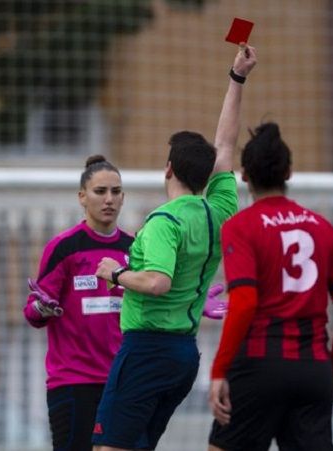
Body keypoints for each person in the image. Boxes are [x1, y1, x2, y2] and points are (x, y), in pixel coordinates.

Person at [91, 44, 258, 451]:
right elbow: (225, 145)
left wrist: (115, 273)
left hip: (146, 349)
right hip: (184, 354)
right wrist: (237, 78)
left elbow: (157, 281)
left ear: (168, 169)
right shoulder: (220, 211)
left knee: (109, 447)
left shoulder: (164, 222)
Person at [207, 122, 333, 451]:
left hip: (258, 366)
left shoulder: (240, 227)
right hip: (313, 369)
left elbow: (244, 302)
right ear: (288, 172)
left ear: (244, 175)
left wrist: (219, 370)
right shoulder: (322, 228)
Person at [23, 155, 133, 451]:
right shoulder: (64, 247)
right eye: (100, 191)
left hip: (122, 381)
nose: (109, 199)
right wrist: (42, 308)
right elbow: (32, 311)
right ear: (82, 197)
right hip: (73, 382)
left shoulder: (135, 249)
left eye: (116, 191)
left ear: (123, 198)